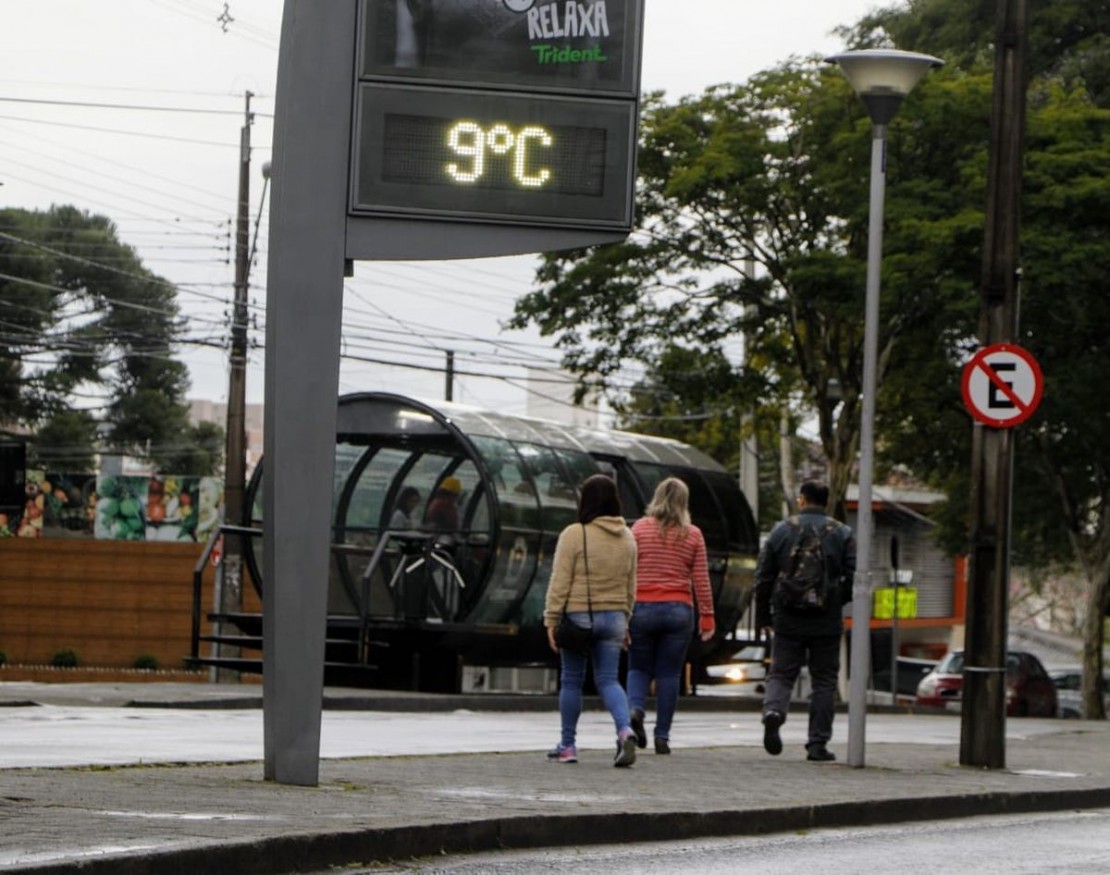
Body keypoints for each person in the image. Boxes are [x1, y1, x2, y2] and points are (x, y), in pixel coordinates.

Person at [755, 480, 856, 762]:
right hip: (826, 618)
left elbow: (763, 576)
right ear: (826, 502)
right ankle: (817, 744)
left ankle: (774, 711)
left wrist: (764, 614)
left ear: (801, 500)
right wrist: (836, 598)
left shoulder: (781, 530)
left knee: (781, 673)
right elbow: (854, 574)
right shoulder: (843, 533)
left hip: (788, 616)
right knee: (824, 680)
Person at [543, 474, 638, 767]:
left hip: (578, 617)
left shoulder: (574, 533)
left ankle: (568, 746)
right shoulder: (628, 538)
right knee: (609, 679)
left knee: (571, 681)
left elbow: (560, 580)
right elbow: (631, 584)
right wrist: (626, 619)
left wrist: (551, 618)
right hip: (615, 617)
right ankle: (624, 730)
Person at [627, 477, 715, 755]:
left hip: (641, 606)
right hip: (678, 610)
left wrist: (623, 611)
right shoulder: (693, 534)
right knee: (669, 674)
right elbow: (701, 578)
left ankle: (635, 710)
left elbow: (626, 573)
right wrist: (708, 616)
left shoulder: (638, 529)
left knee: (638, 667)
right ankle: (662, 736)